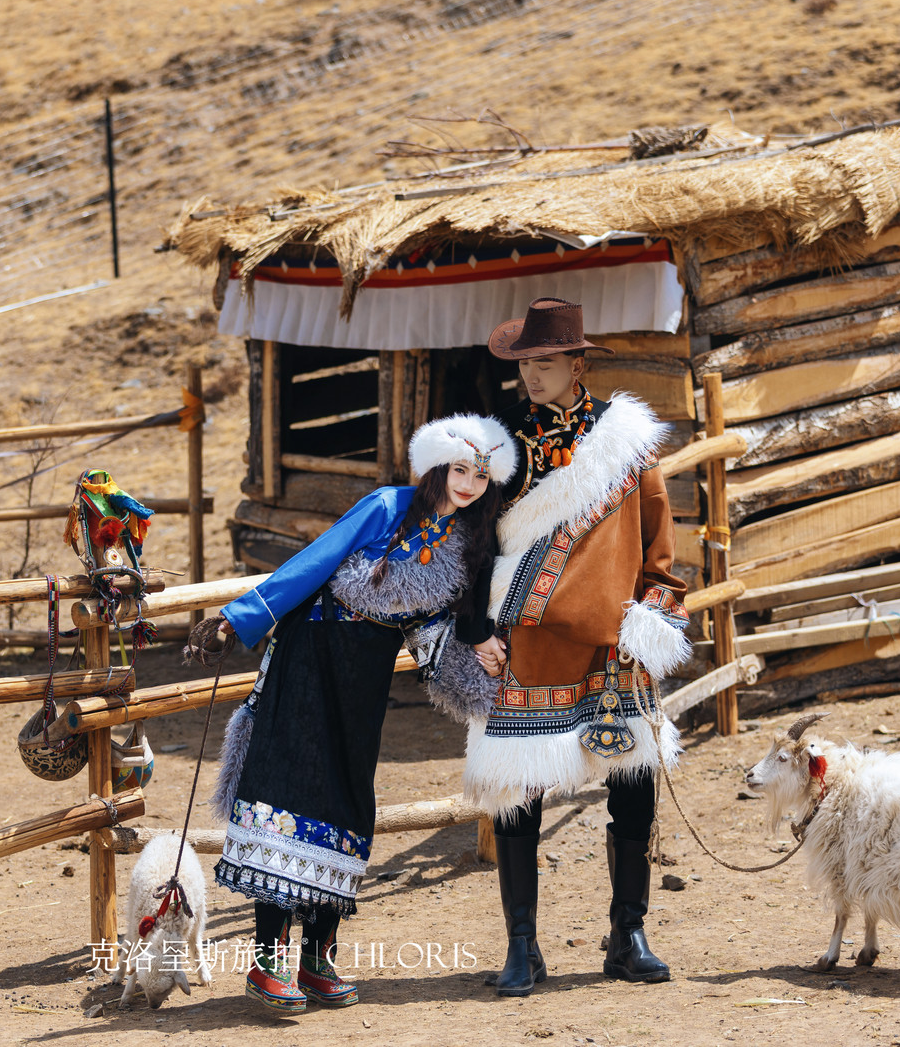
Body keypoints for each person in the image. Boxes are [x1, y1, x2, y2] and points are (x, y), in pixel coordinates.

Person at [209, 414, 515, 1014]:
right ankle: (267, 961)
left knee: (347, 799)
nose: (468, 484)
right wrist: (236, 618)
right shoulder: (385, 507)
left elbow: (438, 622)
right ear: (435, 467)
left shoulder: (469, 544)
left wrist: (479, 655)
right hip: (310, 657)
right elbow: (315, 563)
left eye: (480, 475)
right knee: (288, 790)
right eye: (459, 469)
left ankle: (317, 960)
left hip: (365, 678)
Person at [458, 297, 692, 996]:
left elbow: (660, 553)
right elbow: (470, 547)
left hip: (612, 648)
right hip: (524, 644)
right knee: (517, 797)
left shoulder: (628, 445)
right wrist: (474, 629)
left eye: (546, 362)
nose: (532, 375)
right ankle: (522, 947)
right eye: (525, 363)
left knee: (634, 786)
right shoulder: (499, 451)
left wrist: (651, 622)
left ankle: (629, 935)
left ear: (577, 364)